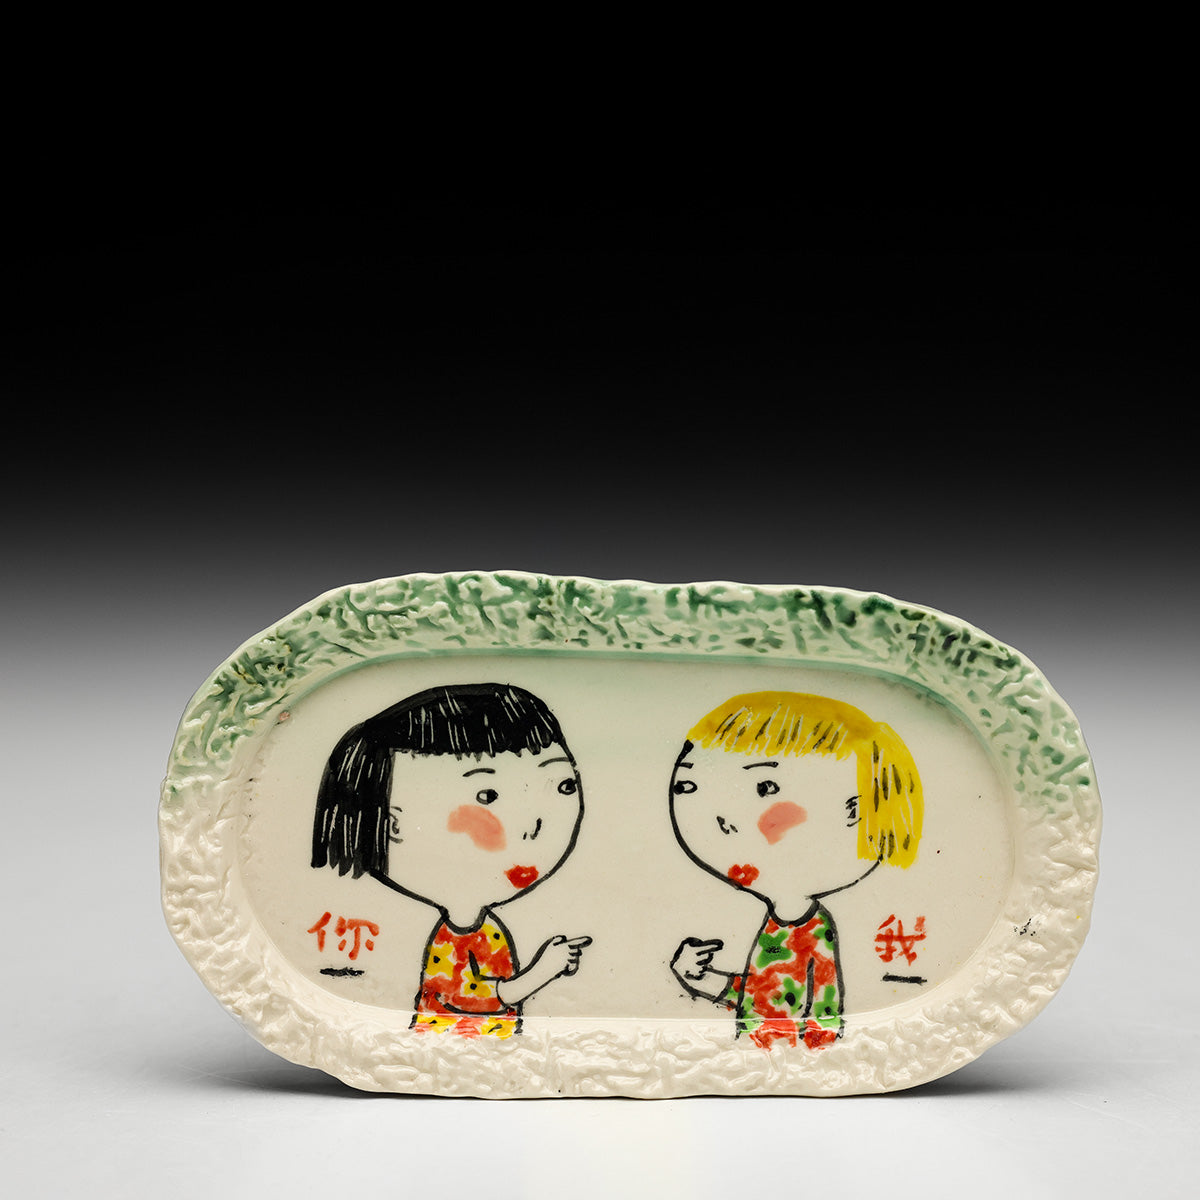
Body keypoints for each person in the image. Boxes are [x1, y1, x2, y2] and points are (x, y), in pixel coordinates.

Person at [312, 682, 591, 1037]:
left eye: (564, 786)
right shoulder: (454, 937)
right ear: (391, 825)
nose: (535, 825)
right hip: (450, 1044)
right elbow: (476, 998)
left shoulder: (480, 925)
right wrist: (544, 970)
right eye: (487, 796)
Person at [668, 690, 922, 1050]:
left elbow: (820, 1022)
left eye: (765, 788)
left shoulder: (811, 931)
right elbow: (763, 996)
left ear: (856, 812)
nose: (722, 821)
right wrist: (699, 978)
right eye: (687, 787)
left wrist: (812, 1066)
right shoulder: (782, 923)